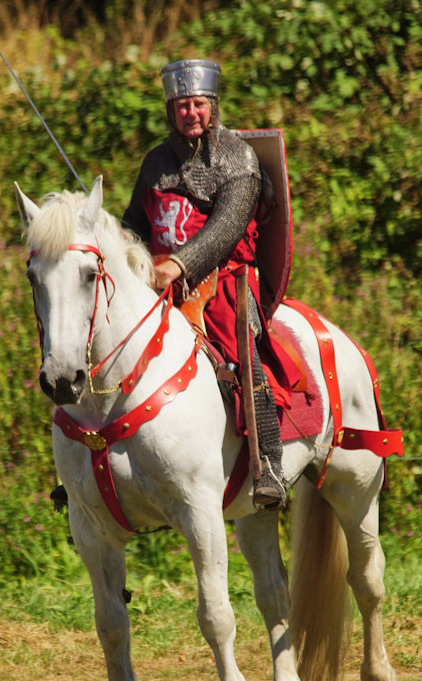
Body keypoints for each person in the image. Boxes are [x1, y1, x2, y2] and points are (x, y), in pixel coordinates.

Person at [122, 58, 299, 511]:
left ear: (212, 105)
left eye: (198, 104)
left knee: (244, 354)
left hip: (222, 284)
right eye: (182, 106)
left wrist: (181, 265)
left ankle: (269, 465)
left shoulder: (236, 157)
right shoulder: (155, 163)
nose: (191, 113)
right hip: (156, 285)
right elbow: (135, 224)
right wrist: (123, 250)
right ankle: (87, 465)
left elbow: (227, 228)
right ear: (170, 110)